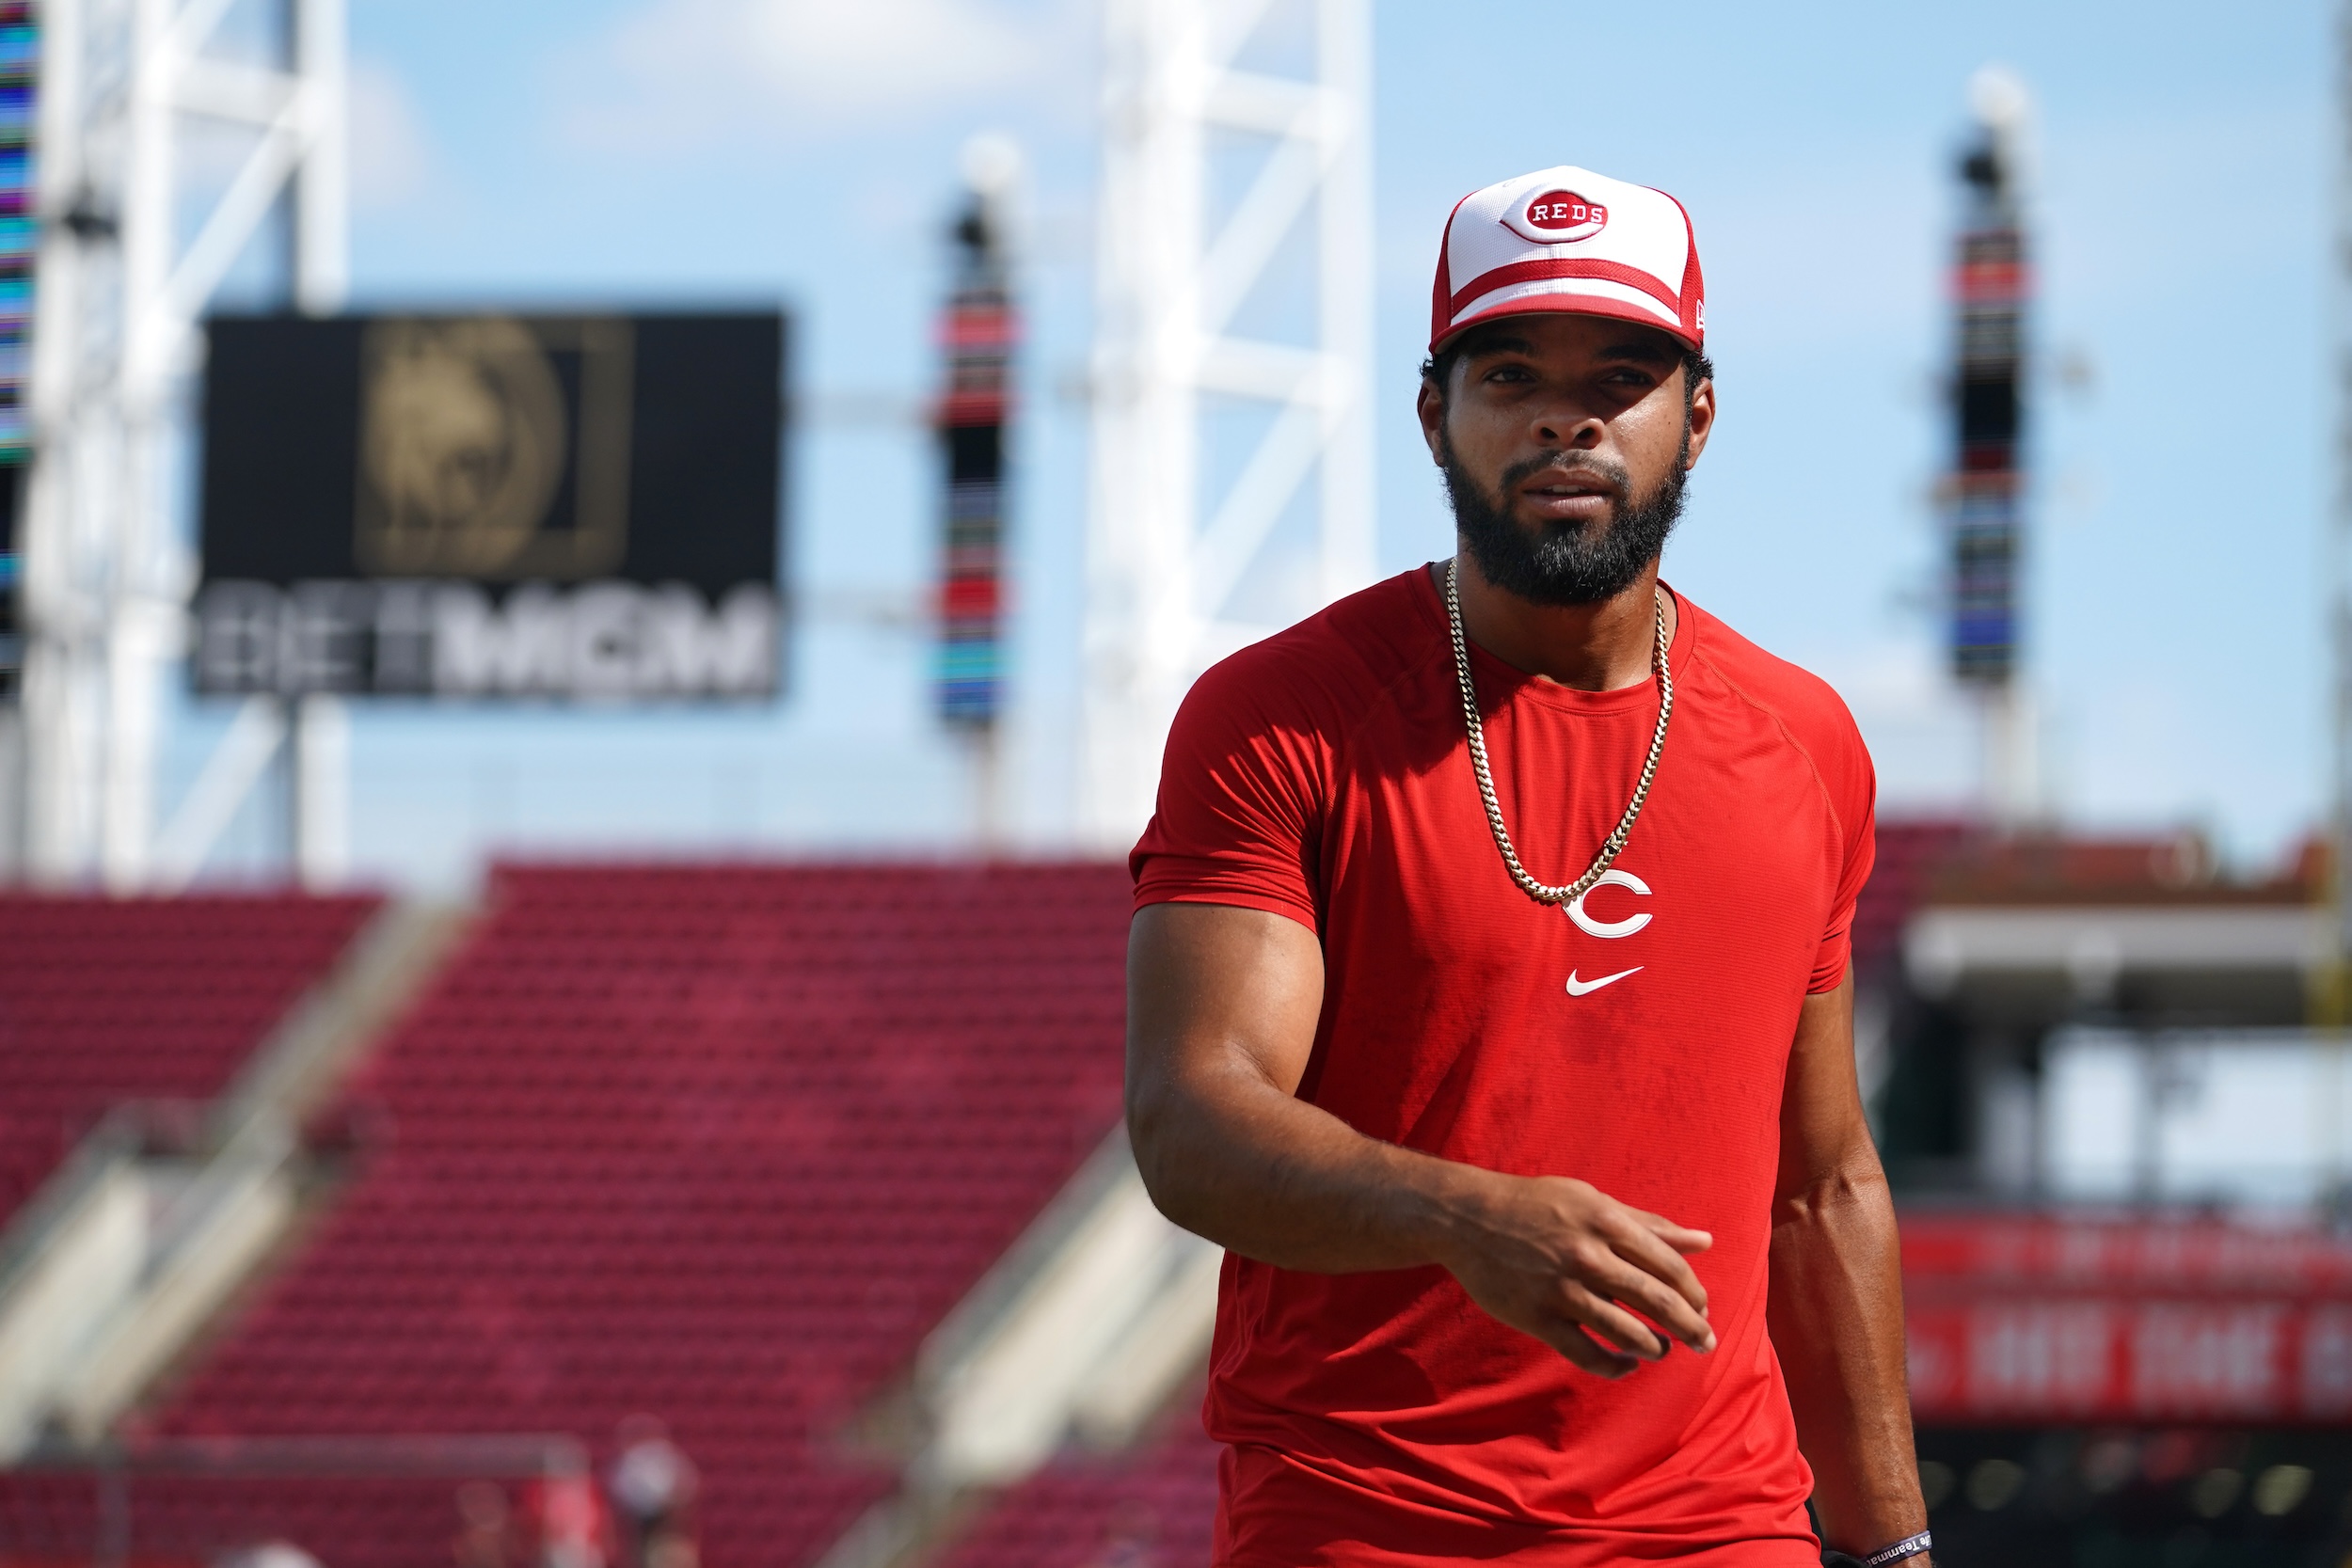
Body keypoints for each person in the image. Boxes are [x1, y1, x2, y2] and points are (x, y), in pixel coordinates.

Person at [1125, 164, 1931, 1567]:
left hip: (1717, 1530)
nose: (1570, 418)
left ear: (1700, 415)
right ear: (1434, 414)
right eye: (1511, 374)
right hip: (1369, 1524)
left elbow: (1823, 1187)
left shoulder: (1807, 743)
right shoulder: (1280, 717)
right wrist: (1462, 1216)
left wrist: (1894, 1550)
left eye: (1623, 374)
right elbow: (1193, 1118)